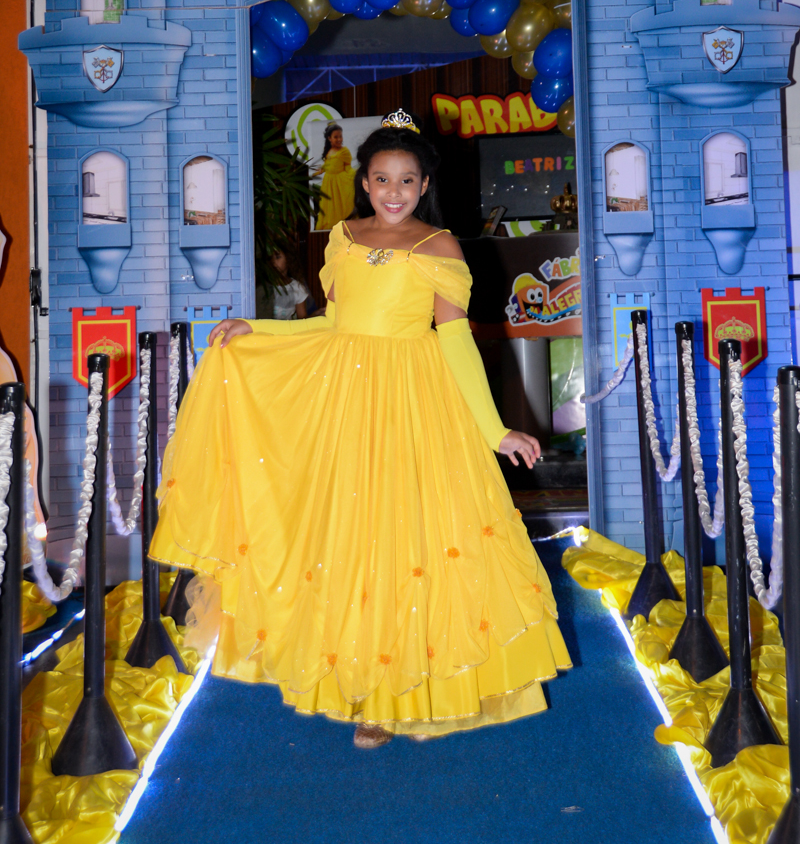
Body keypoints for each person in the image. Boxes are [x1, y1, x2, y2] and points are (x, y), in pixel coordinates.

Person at [151, 109, 570, 748]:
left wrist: (494, 431)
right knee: (354, 539)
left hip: (416, 406)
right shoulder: (342, 239)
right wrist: (256, 329)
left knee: (413, 541)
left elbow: (455, 339)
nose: (394, 192)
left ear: (424, 184)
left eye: (407, 180)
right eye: (381, 179)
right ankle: (367, 693)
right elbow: (333, 324)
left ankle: (409, 689)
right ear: (365, 182)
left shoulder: (441, 247)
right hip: (347, 403)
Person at [314, 122, 356, 230]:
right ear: (329, 138)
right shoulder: (329, 151)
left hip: (339, 183)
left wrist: (355, 176)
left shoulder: (344, 151)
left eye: (340, 136)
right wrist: (320, 170)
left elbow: (348, 167)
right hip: (328, 182)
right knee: (328, 206)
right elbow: (327, 164)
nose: (339, 139)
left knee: (339, 205)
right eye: (335, 137)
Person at [262, 247, 309, 320]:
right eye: (270, 258)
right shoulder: (262, 286)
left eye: (277, 257)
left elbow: (302, 319)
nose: (273, 262)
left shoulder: (297, 288)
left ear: (288, 259)